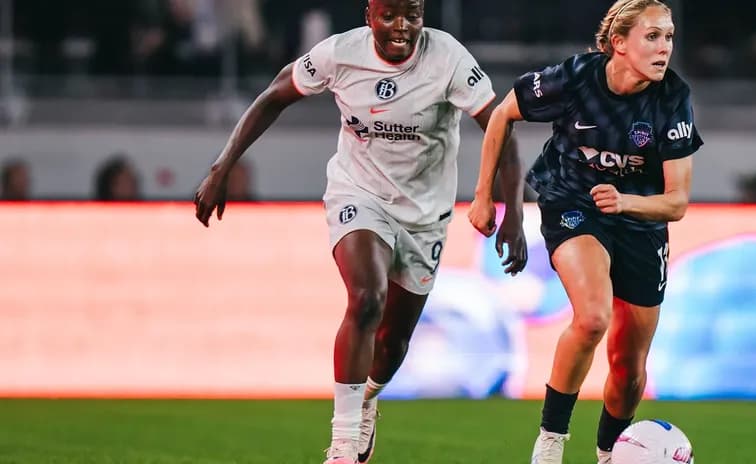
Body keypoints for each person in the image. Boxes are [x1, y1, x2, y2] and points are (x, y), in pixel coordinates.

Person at [192, 1, 528, 463]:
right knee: (367, 297)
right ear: (370, 16)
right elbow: (274, 95)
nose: (402, 27)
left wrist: (511, 211)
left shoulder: (448, 57)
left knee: (393, 342)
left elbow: (501, 127)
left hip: (424, 215)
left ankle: (367, 398)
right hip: (358, 194)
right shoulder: (339, 53)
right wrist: (221, 166)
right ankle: (344, 443)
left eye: (412, 15)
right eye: (389, 16)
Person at [468, 1, 703, 463]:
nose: (664, 48)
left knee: (629, 366)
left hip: (640, 220)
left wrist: (626, 202)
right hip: (572, 203)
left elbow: (676, 202)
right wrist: (483, 196)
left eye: (669, 37)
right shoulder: (575, 78)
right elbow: (501, 114)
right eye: (652, 36)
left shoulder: (672, 97)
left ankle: (609, 453)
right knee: (593, 317)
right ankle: (550, 442)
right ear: (619, 43)